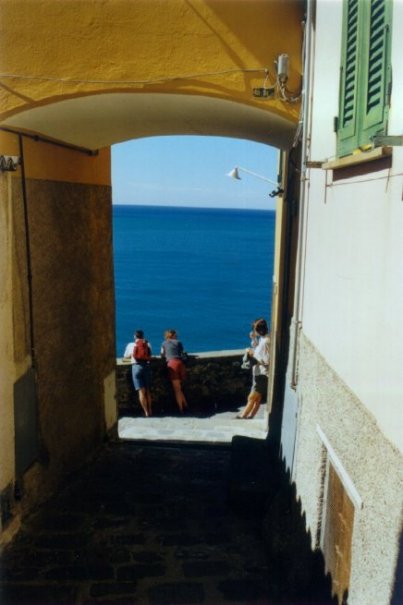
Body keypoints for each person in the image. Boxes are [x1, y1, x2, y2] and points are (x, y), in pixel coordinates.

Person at [237, 318, 270, 419]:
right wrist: (253, 339)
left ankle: (243, 416)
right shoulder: (263, 339)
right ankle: (250, 416)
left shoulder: (266, 341)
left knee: (252, 397)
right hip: (259, 372)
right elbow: (258, 349)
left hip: (262, 373)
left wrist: (252, 354)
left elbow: (267, 360)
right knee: (257, 397)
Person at [123, 330, 152, 417]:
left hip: (136, 367)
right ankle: (150, 410)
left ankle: (146, 411)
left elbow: (125, 356)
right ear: (143, 336)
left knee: (141, 391)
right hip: (146, 367)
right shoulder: (147, 344)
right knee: (148, 390)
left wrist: (132, 355)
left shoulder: (131, 345)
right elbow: (149, 355)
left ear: (134, 336)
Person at [160, 329, 188, 413]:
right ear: (172, 335)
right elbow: (182, 353)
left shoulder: (163, 343)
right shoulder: (178, 342)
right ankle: (186, 405)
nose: (177, 336)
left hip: (172, 365)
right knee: (179, 387)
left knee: (177, 389)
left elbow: (162, 355)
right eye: (175, 335)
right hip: (180, 364)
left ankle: (181, 409)